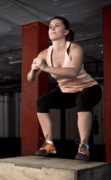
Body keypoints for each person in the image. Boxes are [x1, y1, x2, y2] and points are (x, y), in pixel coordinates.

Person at [27, 16, 102, 161]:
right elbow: (31, 78)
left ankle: (84, 146)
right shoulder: (44, 54)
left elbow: (73, 72)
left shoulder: (75, 48)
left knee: (82, 100)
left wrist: (46, 68)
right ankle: (49, 143)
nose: (52, 29)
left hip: (89, 88)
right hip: (67, 92)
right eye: (50, 27)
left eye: (57, 26)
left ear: (66, 31)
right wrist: (33, 69)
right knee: (41, 102)